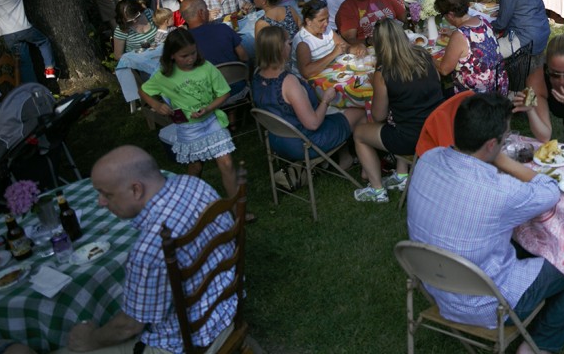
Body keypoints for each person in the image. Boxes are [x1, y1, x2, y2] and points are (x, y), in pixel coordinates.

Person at [407, 93, 564, 354]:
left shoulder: (428, 159)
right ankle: (539, 346)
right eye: (504, 138)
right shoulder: (499, 191)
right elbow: (550, 191)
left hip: (437, 285)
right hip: (492, 305)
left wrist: (491, 155)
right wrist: (501, 159)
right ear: (492, 144)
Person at [64, 146, 238, 354]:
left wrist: (91, 339)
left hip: (189, 341)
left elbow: (128, 326)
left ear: (136, 190)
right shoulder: (192, 183)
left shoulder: (149, 250)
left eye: (106, 194)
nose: (100, 202)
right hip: (226, 306)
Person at [138, 29, 240, 200]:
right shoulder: (164, 76)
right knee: (196, 167)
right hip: (189, 128)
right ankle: (189, 201)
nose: (190, 58)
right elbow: (143, 91)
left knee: (227, 164)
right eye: (184, 56)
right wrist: (156, 104)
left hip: (211, 121)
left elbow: (224, 93)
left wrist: (208, 108)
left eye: (193, 53)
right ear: (172, 55)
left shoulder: (206, 67)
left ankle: (238, 208)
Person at [352, 19, 443, 202]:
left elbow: (378, 116)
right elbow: (437, 81)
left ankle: (377, 190)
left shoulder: (383, 72)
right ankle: (401, 176)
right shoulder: (423, 54)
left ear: (378, 44)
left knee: (359, 133)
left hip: (411, 137)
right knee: (401, 116)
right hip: (436, 128)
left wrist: (376, 86)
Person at [252, 27, 363, 171]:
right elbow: (313, 124)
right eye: (288, 43)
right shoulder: (288, 82)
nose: (290, 46)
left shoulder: (257, 77)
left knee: (335, 110)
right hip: (304, 143)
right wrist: (326, 100)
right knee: (360, 112)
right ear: (280, 49)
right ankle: (364, 164)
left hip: (276, 139)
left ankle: (343, 156)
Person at [434, 0, 506, 96]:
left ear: (450, 15)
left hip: (479, 96)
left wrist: (427, 57)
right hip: (499, 85)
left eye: (443, 15)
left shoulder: (459, 36)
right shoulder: (481, 19)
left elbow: (444, 69)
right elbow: (473, 40)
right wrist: (452, 33)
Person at [180, 0, 249, 67]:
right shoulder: (223, 28)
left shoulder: (184, 42)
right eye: (206, 9)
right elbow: (244, 57)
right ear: (201, 13)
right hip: (235, 73)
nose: (208, 12)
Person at [294, 0, 348, 79]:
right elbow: (307, 73)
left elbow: (345, 46)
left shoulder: (326, 29)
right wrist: (333, 54)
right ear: (308, 21)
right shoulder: (303, 42)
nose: (326, 23)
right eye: (321, 20)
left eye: (327, 18)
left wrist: (357, 49)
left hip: (329, 73)